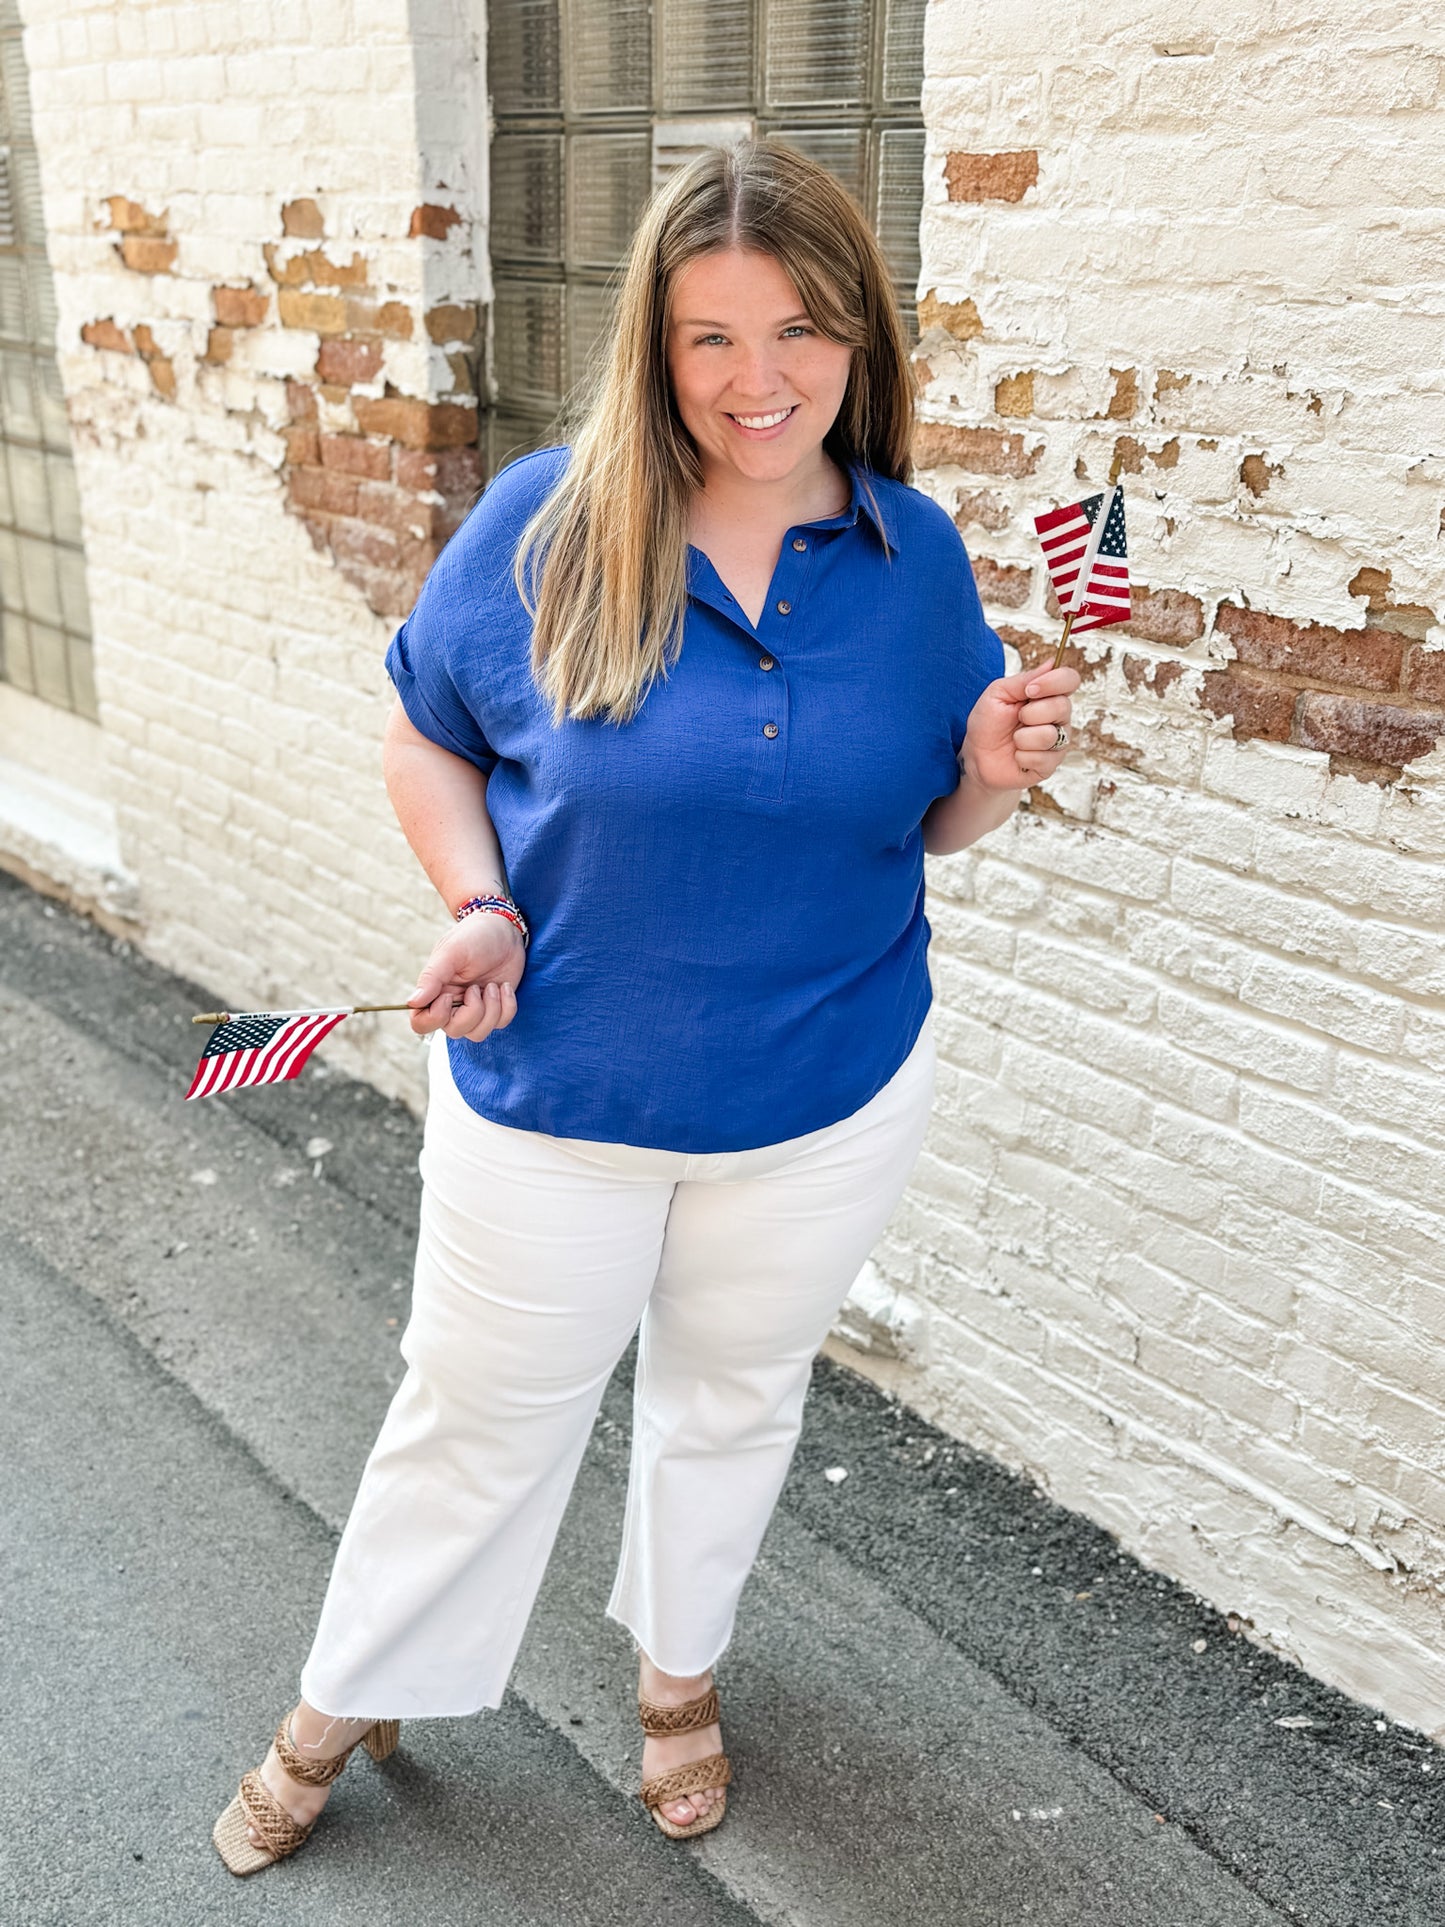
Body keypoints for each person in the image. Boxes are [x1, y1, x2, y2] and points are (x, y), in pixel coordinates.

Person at [213, 136, 1080, 1875]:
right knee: (475, 1411)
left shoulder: (913, 555)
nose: (760, 380)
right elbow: (425, 734)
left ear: (860, 338)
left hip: (824, 1096)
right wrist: (479, 901)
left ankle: (677, 1683)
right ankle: (356, 1685)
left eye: (803, 331)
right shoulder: (552, 514)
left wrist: (987, 770)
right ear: (653, 345)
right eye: (711, 338)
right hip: (560, 1094)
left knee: (734, 1398)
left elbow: (920, 828)